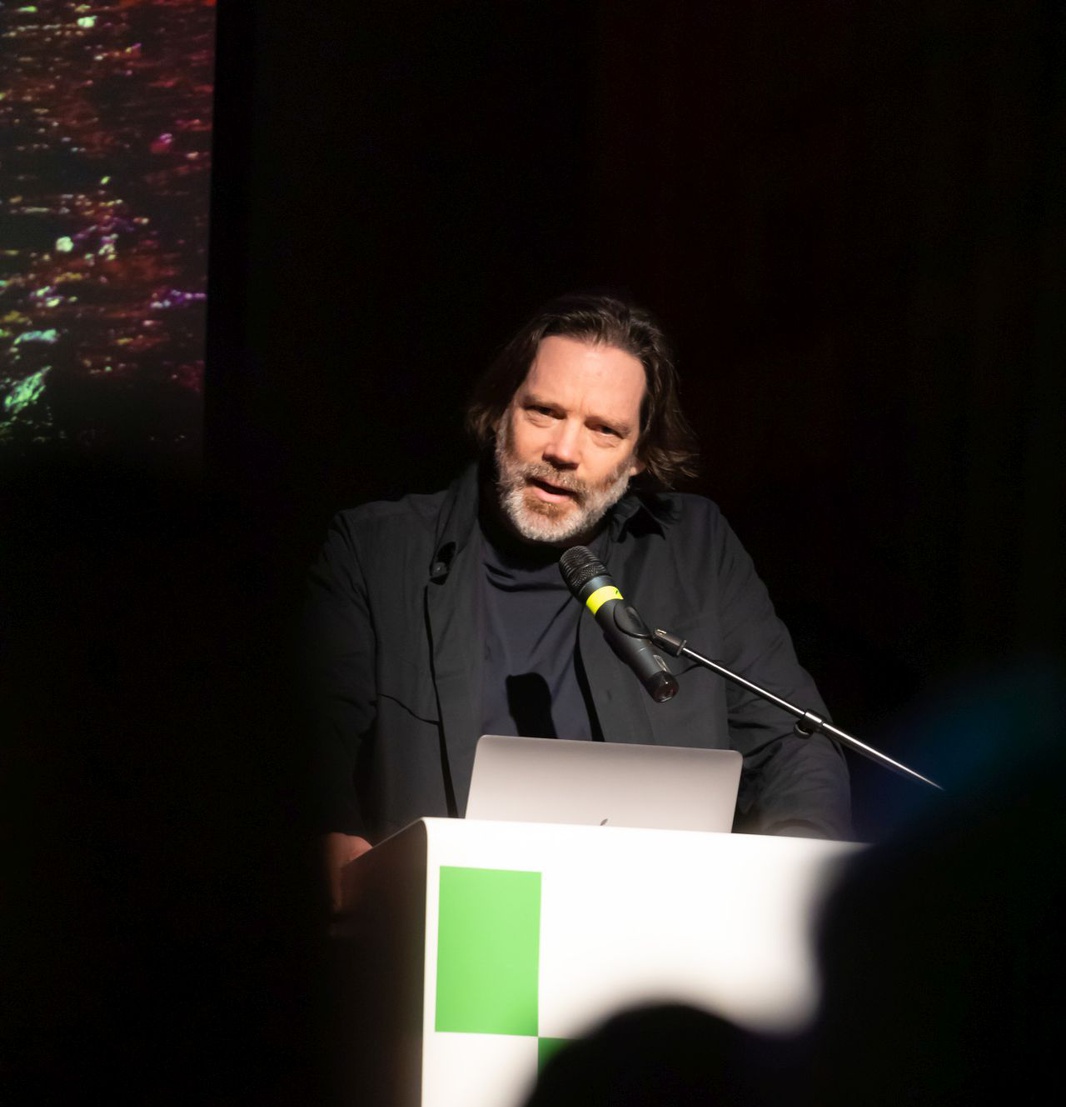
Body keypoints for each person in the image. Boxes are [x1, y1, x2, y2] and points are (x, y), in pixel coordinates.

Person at [307, 292, 851, 910]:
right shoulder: (377, 550)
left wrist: (799, 883)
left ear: (639, 455)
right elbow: (317, 739)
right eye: (544, 412)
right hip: (454, 918)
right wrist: (328, 830)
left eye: (603, 430)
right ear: (500, 413)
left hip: (658, 918)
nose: (564, 451)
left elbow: (793, 741)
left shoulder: (695, 550)